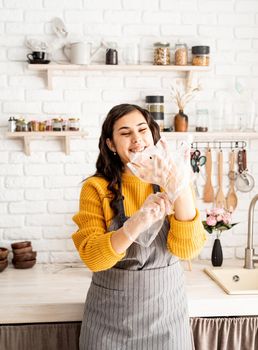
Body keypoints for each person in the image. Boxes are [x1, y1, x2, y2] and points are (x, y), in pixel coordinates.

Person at [72, 103, 206, 350]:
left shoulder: (173, 177)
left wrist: (179, 186)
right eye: (125, 133)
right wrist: (137, 223)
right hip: (109, 322)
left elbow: (187, 250)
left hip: (167, 320)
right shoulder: (95, 188)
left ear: (153, 134)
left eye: (142, 130)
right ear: (111, 144)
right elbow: (93, 258)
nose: (137, 139)